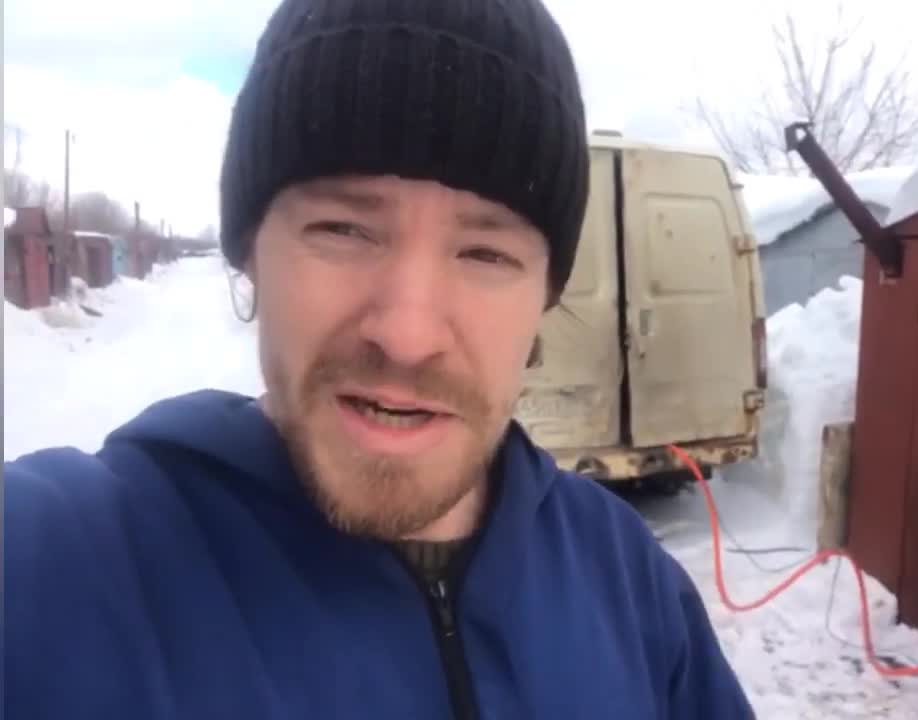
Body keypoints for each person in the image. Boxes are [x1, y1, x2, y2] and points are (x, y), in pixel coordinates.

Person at [2, 1, 755, 718]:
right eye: (343, 230)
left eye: (486, 251)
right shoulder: (59, 572)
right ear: (248, 254)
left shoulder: (629, 584)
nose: (406, 334)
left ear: (545, 297)